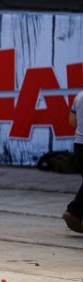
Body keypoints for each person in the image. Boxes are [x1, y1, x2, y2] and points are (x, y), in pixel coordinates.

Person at [63, 91, 83, 234]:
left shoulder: (79, 96)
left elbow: (72, 121)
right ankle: (74, 212)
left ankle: (74, 212)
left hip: (79, 145)